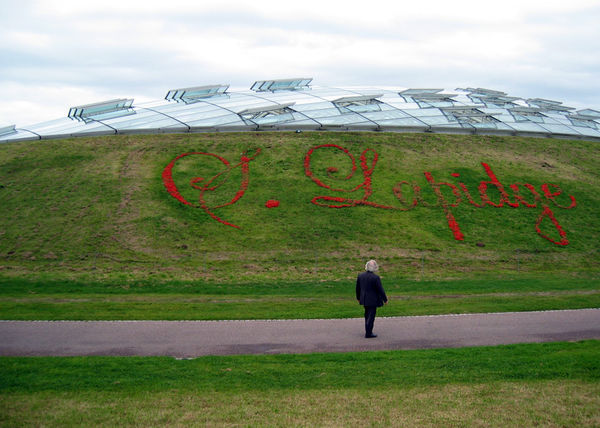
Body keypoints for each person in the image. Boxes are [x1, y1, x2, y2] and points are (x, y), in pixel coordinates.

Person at [356, 259, 388, 338]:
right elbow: (380, 289)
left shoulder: (361, 276)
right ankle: (368, 333)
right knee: (371, 316)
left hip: (364, 299)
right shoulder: (375, 278)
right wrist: (385, 299)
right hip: (373, 300)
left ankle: (368, 330)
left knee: (367, 315)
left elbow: (357, 288)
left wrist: (358, 297)